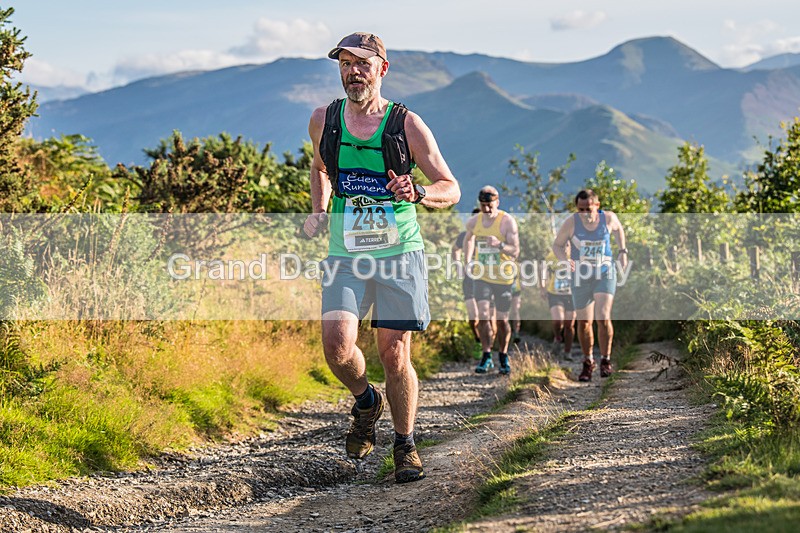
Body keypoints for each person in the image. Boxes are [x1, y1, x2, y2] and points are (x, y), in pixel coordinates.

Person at [303, 32, 460, 484]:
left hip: (398, 254)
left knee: (394, 354)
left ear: (382, 69)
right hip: (346, 254)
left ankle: (405, 445)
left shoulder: (406, 125)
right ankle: (366, 400)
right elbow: (319, 169)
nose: (353, 71)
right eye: (345, 63)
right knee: (336, 346)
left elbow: (451, 186)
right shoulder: (324, 120)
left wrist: (421, 192)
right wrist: (319, 210)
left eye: (363, 64)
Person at [552, 189, 627, 382]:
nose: (585, 213)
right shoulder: (571, 222)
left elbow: (619, 230)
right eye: (581, 209)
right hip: (580, 276)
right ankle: (588, 362)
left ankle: (606, 360)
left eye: (588, 209)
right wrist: (564, 260)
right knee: (584, 322)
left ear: (597, 206)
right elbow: (557, 245)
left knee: (603, 316)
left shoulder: (608, 219)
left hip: (604, 273)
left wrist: (622, 251)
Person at [463, 186, 520, 375]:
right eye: (483, 205)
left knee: (502, 320)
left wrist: (500, 245)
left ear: (498, 202)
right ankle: (486, 355)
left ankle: (503, 354)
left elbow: (516, 251)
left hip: (503, 277)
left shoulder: (507, 222)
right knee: (484, 314)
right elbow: (468, 239)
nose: (487, 209)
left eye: (490, 205)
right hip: (482, 276)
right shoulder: (474, 221)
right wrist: (468, 261)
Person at [452, 208, 482, 356]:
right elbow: (455, 249)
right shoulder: (464, 236)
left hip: (487, 280)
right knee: (473, 316)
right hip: (469, 279)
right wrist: (458, 265)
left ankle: (488, 347)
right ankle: (478, 341)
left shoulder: (489, 236)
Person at [540, 250, 576, 356]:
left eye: (567, 245)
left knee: (569, 325)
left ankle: (567, 352)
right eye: (562, 245)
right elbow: (543, 270)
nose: (564, 248)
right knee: (558, 320)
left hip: (572, 294)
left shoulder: (576, 255)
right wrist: (542, 287)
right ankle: (557, 337)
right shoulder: (552, 255)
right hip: (555, 293)